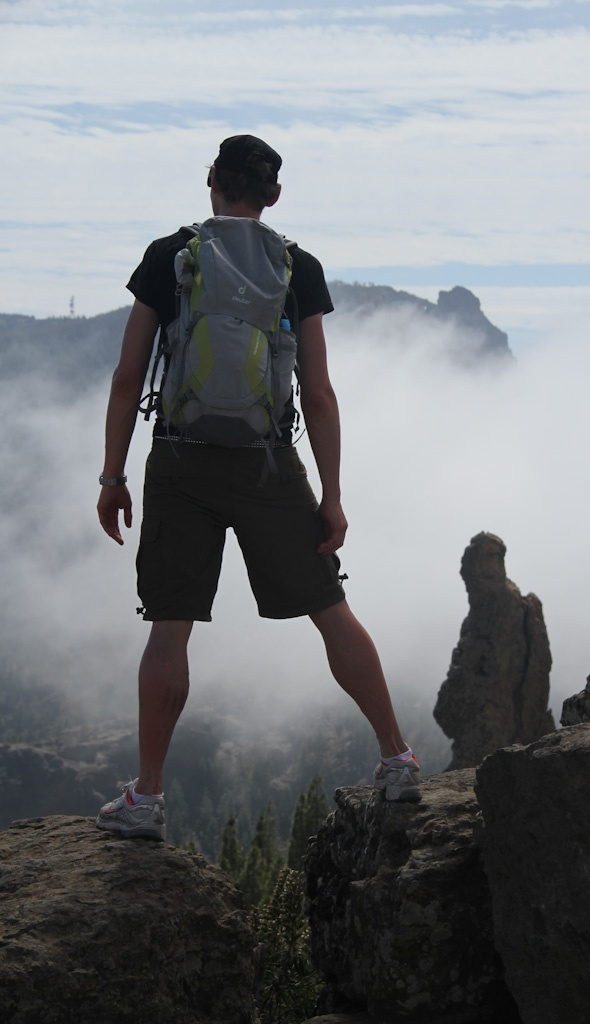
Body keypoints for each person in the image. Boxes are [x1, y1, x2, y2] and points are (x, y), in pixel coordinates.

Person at [95, 134, 420, 841]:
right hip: (269, 464)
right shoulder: (298, 267)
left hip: (179, 462)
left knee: (169, 627)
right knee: (331, 610)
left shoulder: (168, 256)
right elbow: (319, 392)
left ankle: (146, 798)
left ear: (212, 179)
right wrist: (331, 495)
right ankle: (397, 758)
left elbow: (126, 378)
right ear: (273, 194)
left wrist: (113, 475)